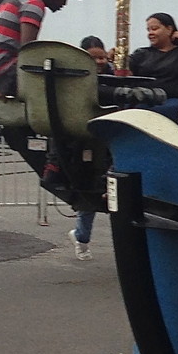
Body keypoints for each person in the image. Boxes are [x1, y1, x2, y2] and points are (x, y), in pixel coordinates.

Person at [65, 35, 114, 260]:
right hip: (86, 138)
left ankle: (83, 237)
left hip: (108, 136)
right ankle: (82, 238)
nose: (100, 62)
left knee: (111, 193)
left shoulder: (113, 73)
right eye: (93, 58)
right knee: (90, 192)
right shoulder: (76, 77)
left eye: (102, 57)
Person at [127, 13, 178, 89]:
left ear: (169, 29)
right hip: (143, 96)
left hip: (171, 98)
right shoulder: (141, 53)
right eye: (148, 30)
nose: (150, 33)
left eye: (154, 29)